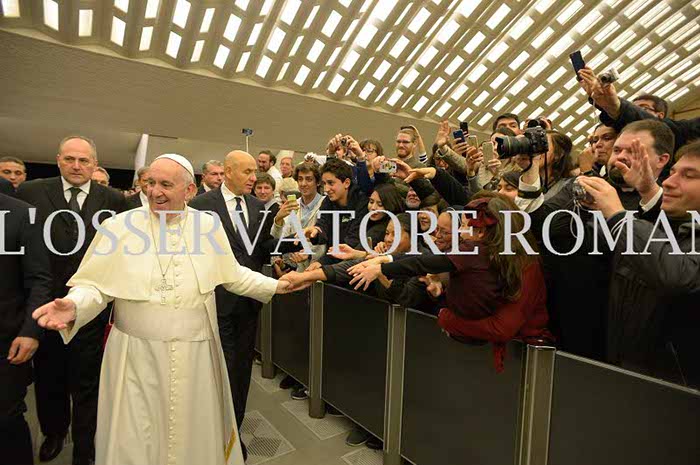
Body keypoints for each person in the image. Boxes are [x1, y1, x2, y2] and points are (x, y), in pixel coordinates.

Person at [31, 154, 295, 465]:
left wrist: (277, 285)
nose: (155, 192)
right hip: (135, 354)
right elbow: (96, 286)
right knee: (136, 435)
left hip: (194, 353)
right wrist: (74, 305)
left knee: (190, 434)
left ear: (189, 191)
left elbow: (233, 275)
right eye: (150, 183)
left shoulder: (207, 225)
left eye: (166, 185)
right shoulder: (119, 226)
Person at [16, 135, 127, 465]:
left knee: (88, 382)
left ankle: (85, 447)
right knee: (48, 376)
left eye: (83, 160)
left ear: (95, 164)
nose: (76, 166)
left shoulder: (113, 199)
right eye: (70, 159)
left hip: (93, 309)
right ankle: (54, 431)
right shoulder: (32, 192)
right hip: (45, 303)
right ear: (58, 160)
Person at [348, 192, 550, 371]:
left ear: (485, 232)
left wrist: (447, 319)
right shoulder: (490, 255)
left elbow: (501, 328)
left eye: (465, 226)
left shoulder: (523, 266)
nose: (459, 233)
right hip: (490, 354)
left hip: (525, 358)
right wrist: (443, 289)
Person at [189, 150, 289, 459]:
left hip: (248, 304)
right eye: (247, 172)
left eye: (254, 172)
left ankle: (234, 435)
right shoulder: (200, 207)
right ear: (228, 171)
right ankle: (211, 434)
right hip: (214, 302)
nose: (253, 178)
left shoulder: (259, 207)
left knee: (241, 372)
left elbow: (262, 249)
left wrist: (284, 237)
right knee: (217, 372)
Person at [578, 140, 700, 387]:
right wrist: (646, 191)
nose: (668, 182)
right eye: (673, 173)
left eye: (689, 175)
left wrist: (619, 217)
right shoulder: (675, 221)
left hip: (676, 389)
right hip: (632, 370)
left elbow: (676, 273)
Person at [0, 192, 52, 465]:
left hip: (7, 339)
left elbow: (39, 279)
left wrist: (31, 331)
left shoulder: (22, 214)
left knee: (6, 419)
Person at [303, 158, 369, 266]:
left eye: (331, 183)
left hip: (354, 264)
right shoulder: (327, 201)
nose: (326, 189)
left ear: (346, 183)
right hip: (332, 259)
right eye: (324, 183)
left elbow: (351, 242)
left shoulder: (362, 203)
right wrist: (315, 232)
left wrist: (321, 263)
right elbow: (322, 225)